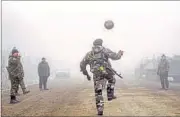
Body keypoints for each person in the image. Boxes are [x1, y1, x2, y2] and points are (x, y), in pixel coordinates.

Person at [80, 39, 123, 115]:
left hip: (97, 74)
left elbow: (82, 64)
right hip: (106, 71)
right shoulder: (104, 50)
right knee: (112, 79)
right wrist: (120, 53)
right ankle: (110, 95)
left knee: (98, 93)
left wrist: (86, 74)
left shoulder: (89, 54)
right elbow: (115, 57)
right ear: (101, 44)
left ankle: (100, 111)